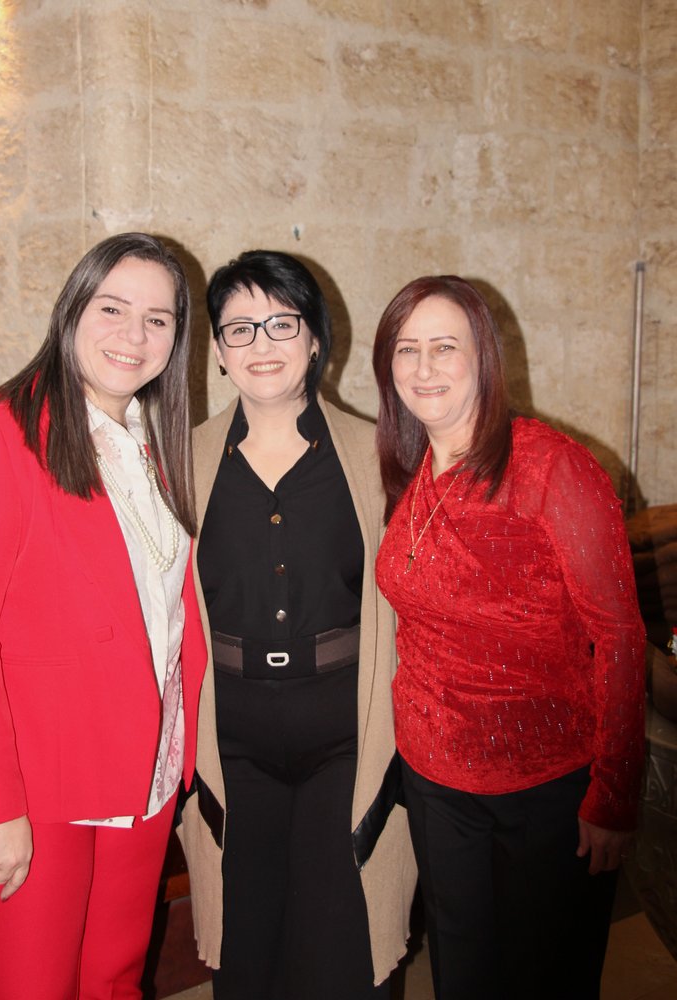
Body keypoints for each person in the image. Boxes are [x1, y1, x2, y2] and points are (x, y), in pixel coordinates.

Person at [0, 232, 207, 1000]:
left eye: (158, 319)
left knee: (112, 980)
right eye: (112, 308)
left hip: (143, 767)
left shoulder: (157, 442)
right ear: (71, 310)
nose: (133, 335)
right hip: (34, 778)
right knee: (27, 987)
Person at [372, 274, 646, 1000]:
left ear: (484, 358)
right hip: (435, 781)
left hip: (544, 789)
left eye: (444, 347)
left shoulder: (552, 467)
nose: (423, 368)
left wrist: (614, 794)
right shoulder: (411, 466)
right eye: (406, 349)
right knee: (462, 975)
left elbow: (620, 636)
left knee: (544, 978)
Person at [177, 250, 417, 1000]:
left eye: (282, 323)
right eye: (239, 328)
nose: (261, 344)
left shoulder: (378, 455)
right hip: (231, 739)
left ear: (316, 338)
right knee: (245, 949)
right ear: (218, 351)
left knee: (341, 945)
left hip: (344, 733)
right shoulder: (180, 461)